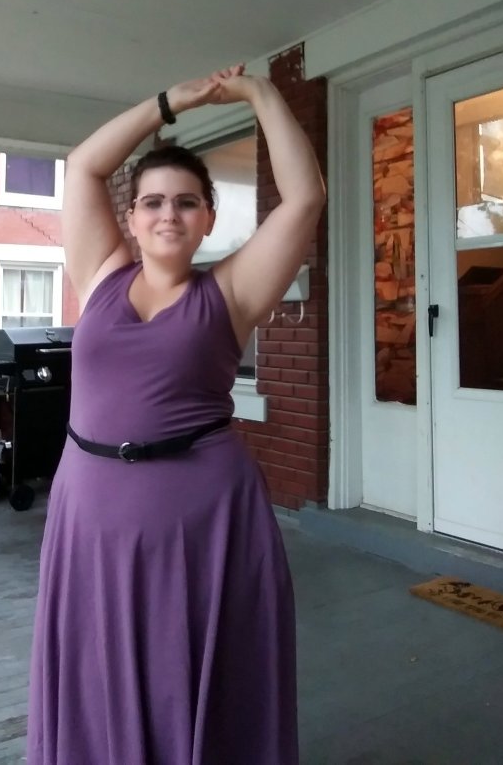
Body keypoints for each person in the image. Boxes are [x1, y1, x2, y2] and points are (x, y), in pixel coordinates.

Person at [27, 63, 325, 765]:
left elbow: (305, 196)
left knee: (193, 673)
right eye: (153, 201)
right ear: (131, 217)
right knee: (95, 671)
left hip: (202, 518)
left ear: (209, 219)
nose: (168, 214)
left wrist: (259, 92)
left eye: (187, 202)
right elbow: (84, 165)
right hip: (90, 513)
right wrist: (169, 103)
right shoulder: (100, 274)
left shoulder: (232, 291)